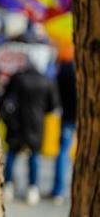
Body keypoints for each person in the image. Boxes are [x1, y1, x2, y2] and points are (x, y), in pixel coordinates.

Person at [1, 63, 60, 206]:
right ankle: (32, 189)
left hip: (17, 123)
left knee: (12, 154)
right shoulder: (46, 81)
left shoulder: (18, 79)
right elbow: (53, 106)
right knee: (34, 156)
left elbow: (6, 99)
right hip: (36, 124)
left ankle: (7, 186)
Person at [50, 61, 76, 204]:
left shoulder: (66, 68)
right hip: (77, 116)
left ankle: (58, 191)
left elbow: (56, 90)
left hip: (68, 116)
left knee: (63, 153)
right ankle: (58, 191)